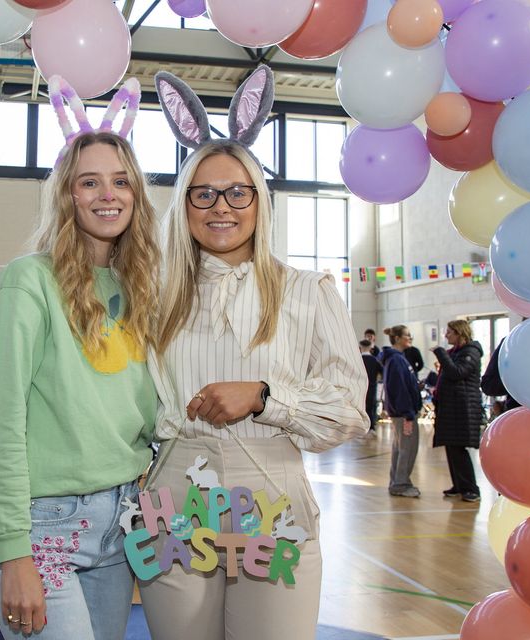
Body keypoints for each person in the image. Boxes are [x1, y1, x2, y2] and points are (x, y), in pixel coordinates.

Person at [141, 66, 368, 640]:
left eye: (239, 191)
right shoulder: (152, 294)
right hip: (176, 492)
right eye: (205, 192)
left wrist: (266, 399)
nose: (223, 206)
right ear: (185, 201)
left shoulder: (307, 292)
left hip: (272, 494)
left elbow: (348, 412)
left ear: (260, 200)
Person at [0, 75, 159, 639]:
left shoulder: (142, 286)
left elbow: (146, 415)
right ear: (67, 194)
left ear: (137, 194)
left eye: (121, 181)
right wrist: (13, 552)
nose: (108, 194)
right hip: (44, 524)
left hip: (121, 523)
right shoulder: (28, 280)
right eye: (90, 182)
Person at [431, 320, 484, 502]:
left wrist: (441, 354)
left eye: (450, 332)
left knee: (458, 448)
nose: (446, 336)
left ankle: (471, 488)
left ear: (459, 333)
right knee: (451, 447)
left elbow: (457, 373)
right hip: (452, 407)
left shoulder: (470, 352)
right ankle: (460, 485)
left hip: (463, 408)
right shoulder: (456, 353)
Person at [381, 325, 423, 498]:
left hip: (402, 412)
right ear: (397, 338)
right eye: (407, 335)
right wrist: (408, 411)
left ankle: (397, 481)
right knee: (407, 448)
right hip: (404, 414)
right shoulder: (396, 360)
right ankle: (400, 483)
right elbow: (399, 388)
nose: (410, 338)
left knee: (401, 447)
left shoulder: (398, 358)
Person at [360, 339, 382, 433]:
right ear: (370, 348)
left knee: (360, 407)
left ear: (360, 347)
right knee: (370, 406)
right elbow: (383, 372)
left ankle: (359, 427)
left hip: (359, 387)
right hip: (371, 386)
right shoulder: (374, 360)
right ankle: (371, 426)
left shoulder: (357, 359)